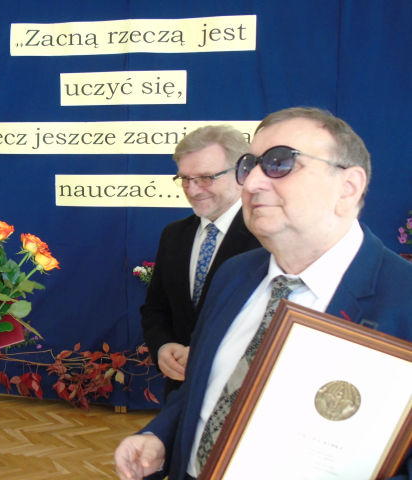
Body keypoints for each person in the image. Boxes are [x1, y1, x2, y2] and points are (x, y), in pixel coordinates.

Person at [115, 107, 412, 479]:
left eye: (280, 163)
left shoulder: (402, 300)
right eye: (249, 166)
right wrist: (160, 435)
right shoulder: (234, 275)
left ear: (348, 187)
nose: (252, 182)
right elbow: (204, 385)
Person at [141, 125, 260, 398]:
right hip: (180, 391)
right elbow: (155, 309)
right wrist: (163, 346)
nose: (192, 190)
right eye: (185, 179)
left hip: (241, 392)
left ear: (242, 174)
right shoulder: (173, 235)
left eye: (206, 178)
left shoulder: (266, 237)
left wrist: (206, 354)